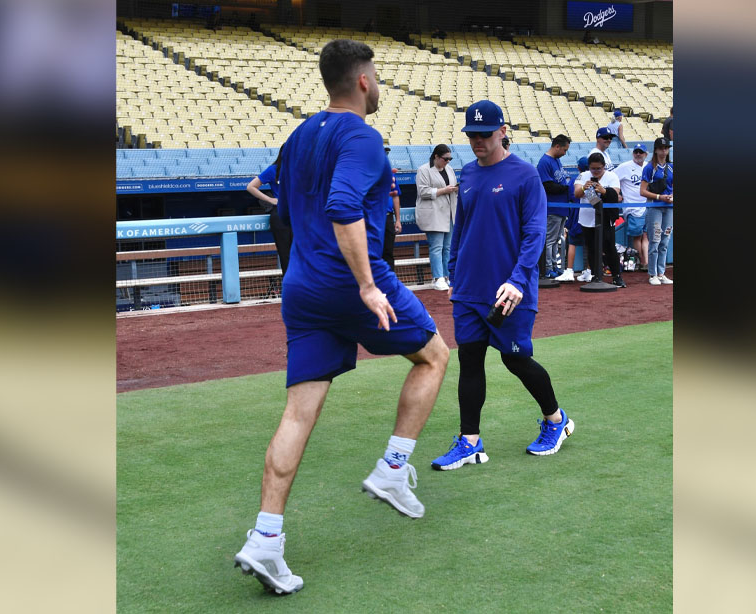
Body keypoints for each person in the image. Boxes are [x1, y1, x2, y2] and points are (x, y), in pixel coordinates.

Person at [233, 39, 450, 595]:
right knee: (433, 356)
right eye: (375, 73)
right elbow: (341, 207)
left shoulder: (299, 135)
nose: (378, 82)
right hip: (347, 284)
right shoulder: (362, 137)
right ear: (361, 81)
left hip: (300, 287)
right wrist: (367, 285)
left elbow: (286, 200)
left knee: (298, 413)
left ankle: (265, 538)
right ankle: (393, 469)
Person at [431, 99, 573, 471]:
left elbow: (535, 233)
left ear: (503, 132)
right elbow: (461, 227)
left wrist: (517, 280)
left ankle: (556, 421)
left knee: (515, 359)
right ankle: (469, 442)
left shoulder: (525, 175)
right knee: (469, 360)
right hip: (468, 290)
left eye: (484, 134)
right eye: (471, 135)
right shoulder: (469, 174)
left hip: (510, 289)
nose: (477, 141)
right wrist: (452, 273)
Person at [573, 152, 625, 287]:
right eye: (593, 168)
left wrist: (604, 190)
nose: (595, 172)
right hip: (587, 218)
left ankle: (617, 276)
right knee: (591, 247)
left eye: (598, 169)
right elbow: (577, 193)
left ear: (604, 167)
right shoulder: (583, 176)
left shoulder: (612, 176)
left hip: (606, 218)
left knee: (609, 248)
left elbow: (616, 195)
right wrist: (585, 187)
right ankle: (596, 275)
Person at [414, 144, 458, 290]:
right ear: (436, 157)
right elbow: (423, 192)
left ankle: (446, 276)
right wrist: (444, 190)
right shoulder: (423, 170)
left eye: (450, 159)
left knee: (448, 247)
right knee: (436, 246)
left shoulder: (449, 169)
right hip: (433, 213)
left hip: (449, 213)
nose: (447, 161)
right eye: (445, 159)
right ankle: (437, 277)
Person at [245, 147, 294, 274]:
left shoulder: (301, 169)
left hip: (299, 214)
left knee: (302, 253)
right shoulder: (274, 170)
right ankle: (290, 290)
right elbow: (251, 186)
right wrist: (270, 199)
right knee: (285, 255)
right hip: (280, 215)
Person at [536, 134, 572, 279]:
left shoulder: (556, 160)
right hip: (552, 207)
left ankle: (554, 266)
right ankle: (547, 268)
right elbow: (547, 186)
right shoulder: (545, 161)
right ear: (557, 146)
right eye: (564, 149)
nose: (565, 153)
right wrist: (566, 188)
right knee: (550, 239)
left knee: (556, 238)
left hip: (561, 207)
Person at [639, 136, 674, 286]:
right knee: (655, 240)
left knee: (665, 240)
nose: (664, 151)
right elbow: (642, 191)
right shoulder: (649, 168)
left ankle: (661, 272)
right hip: (655, 207)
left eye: (666, 148)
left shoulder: (672, 167)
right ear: (656, 150)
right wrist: (660, 196)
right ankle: (652, 273)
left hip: (669, 207)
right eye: (661, 148)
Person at [616, 143, 650, 271]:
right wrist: (617, 193)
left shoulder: (649, 166)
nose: (638, 154)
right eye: (636, 151)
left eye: (641, 152)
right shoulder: (625, 167)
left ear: (646, 154)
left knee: (646, 235)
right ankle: (642, 261)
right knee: (637, 236)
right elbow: (613, 179)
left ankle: (646, 261)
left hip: (648, 205)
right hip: (633, 207)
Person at [557, 155, 589, 282]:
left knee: (573, 242)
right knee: (589, 243)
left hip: (578, 213)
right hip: (587, 213)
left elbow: (571, 196)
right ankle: (588, 271)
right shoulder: (590, 180)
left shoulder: (577, 179)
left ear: (578, 168)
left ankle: (570, 270)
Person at [381, 148, 401, 272]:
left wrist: (398, 219)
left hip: (388, 217)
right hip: (371, 217)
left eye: (386, 153)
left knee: (388, 251)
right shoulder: (365, 171)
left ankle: (390, 283)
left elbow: (395, 196)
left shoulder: (390, 173)